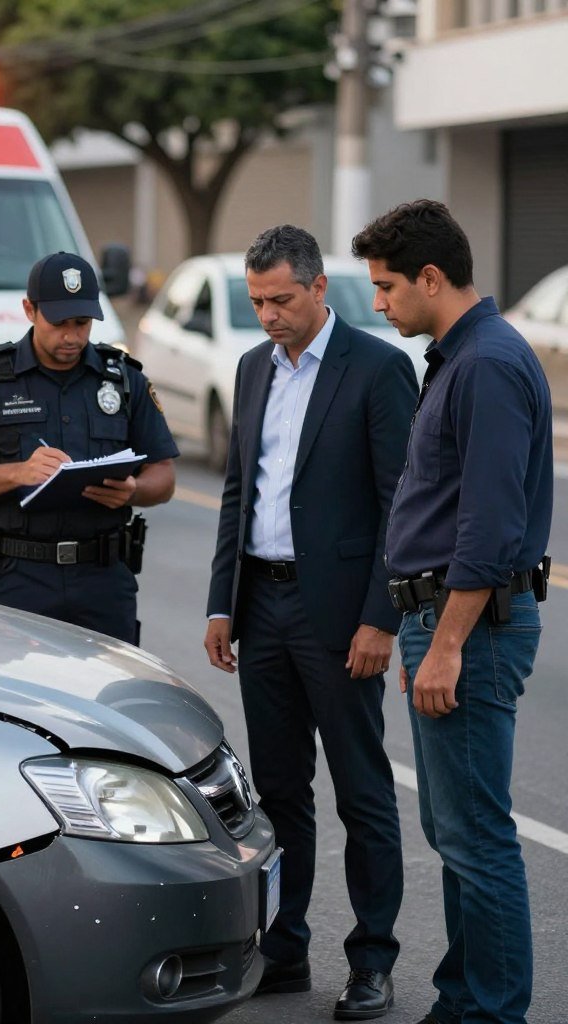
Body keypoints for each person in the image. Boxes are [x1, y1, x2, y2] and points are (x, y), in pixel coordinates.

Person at [204, 225, 416, 1020]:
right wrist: (223, 601)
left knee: (364, 794)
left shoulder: (380, 369)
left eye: (282, 300)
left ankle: (373, 961)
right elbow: (238, 492)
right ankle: (285, 948)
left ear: (321, 288)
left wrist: (379, 618)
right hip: (263, 607)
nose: (269, 316)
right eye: (258, 302)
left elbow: (403, 503)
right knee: (282, 792)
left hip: (340, 617)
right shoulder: (254, 368)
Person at [352, 200, 553, 1024]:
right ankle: (464, 998)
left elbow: (491, 524)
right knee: (454, 829)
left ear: (432, 278)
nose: (378, 302)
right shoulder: (457, 356)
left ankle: (492, 1012)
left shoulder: (487, 366)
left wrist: (447, 647)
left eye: (388, 285)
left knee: (477, 836)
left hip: (468, 623)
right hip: (436, 619)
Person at [0, 251, 178, 644]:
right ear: (29, 310)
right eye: (59, 322)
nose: (72, 336)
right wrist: (18, 472)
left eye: (82, 323)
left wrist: (134, 490)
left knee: (112, 697)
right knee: (16, 701)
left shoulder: (123, 380)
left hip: (104, 577)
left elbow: (163, 476)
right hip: (18, 577)